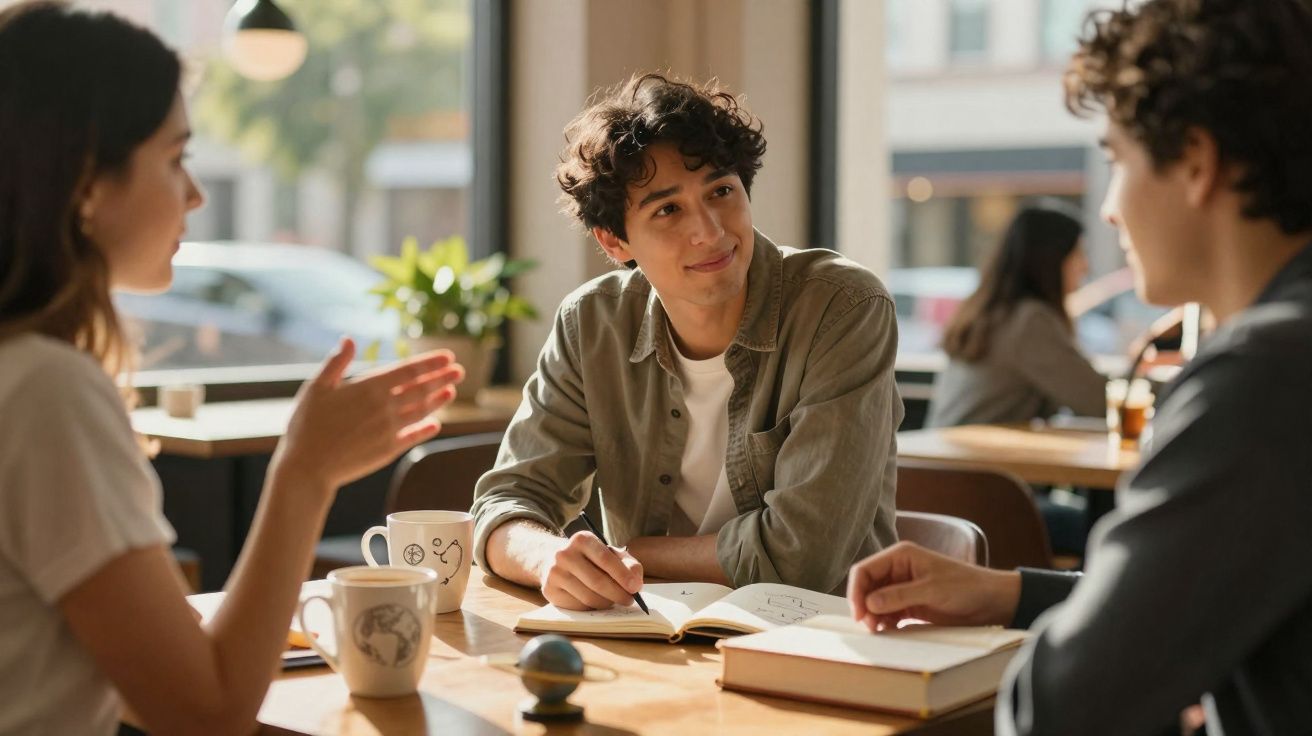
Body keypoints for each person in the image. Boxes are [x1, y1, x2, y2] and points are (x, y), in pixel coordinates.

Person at [847, 1, 1312, 734]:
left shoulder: (1264, 378)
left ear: (1196, 162)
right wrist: (1007, 594)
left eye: (1117, 160)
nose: (1109, 212)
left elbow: (1063, 711)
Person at [0, 4, 464, 734]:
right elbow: (206, 715)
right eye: (175, 157)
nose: (195, 194)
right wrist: (305, 472)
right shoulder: (46, 392)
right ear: (88, 183)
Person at [471, 73, 902, 610]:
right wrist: (545, 558)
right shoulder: (592, 325)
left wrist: (630, 552)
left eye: (721, 191)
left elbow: (802, 556)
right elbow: (505, 503)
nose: (710, 231)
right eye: (668, 210)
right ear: (614, 241)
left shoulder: (841, 307)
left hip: (820, 644)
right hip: (652, 639)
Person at [927, 202, 1104, 428]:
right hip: (973, 459)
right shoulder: (1029, 321)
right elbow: (1097, 400)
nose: (1085, 267)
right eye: (1078, 253)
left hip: (944, 453)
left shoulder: (992, 312)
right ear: (1051, 259)